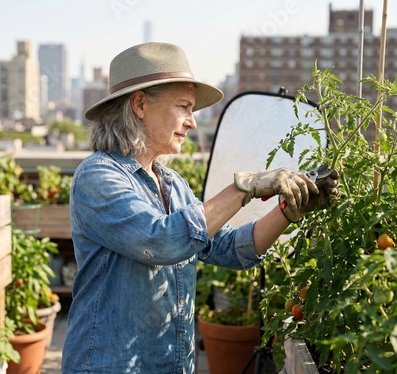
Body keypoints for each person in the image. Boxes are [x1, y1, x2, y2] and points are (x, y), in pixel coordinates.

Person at [61, 42, 339, 373]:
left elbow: (230, 248)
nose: (192, 122)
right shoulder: (98, 175)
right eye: (184, 107)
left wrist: (288, 211)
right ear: (139, 105)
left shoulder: (173, 185)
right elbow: (159, 241)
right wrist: (243, 186)